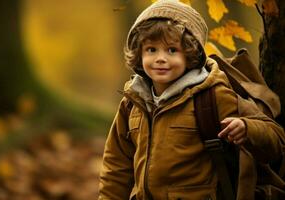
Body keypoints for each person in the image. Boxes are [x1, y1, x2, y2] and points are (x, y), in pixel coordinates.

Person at [98, 0, 285, 199]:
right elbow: (116, 165)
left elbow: (276, 138)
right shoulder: (132, 103)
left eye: (171, 50)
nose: (160, 58)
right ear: (139, 53)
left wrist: (247, 128)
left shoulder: (211, 95)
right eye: (151, 50)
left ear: (190, 54)